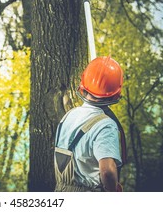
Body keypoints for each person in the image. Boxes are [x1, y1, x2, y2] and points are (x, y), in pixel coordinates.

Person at [54, 56, 126, 192]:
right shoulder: (106, 125)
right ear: (115, 93)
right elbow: (107, 171)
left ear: (83, 85)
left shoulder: (69, 115)